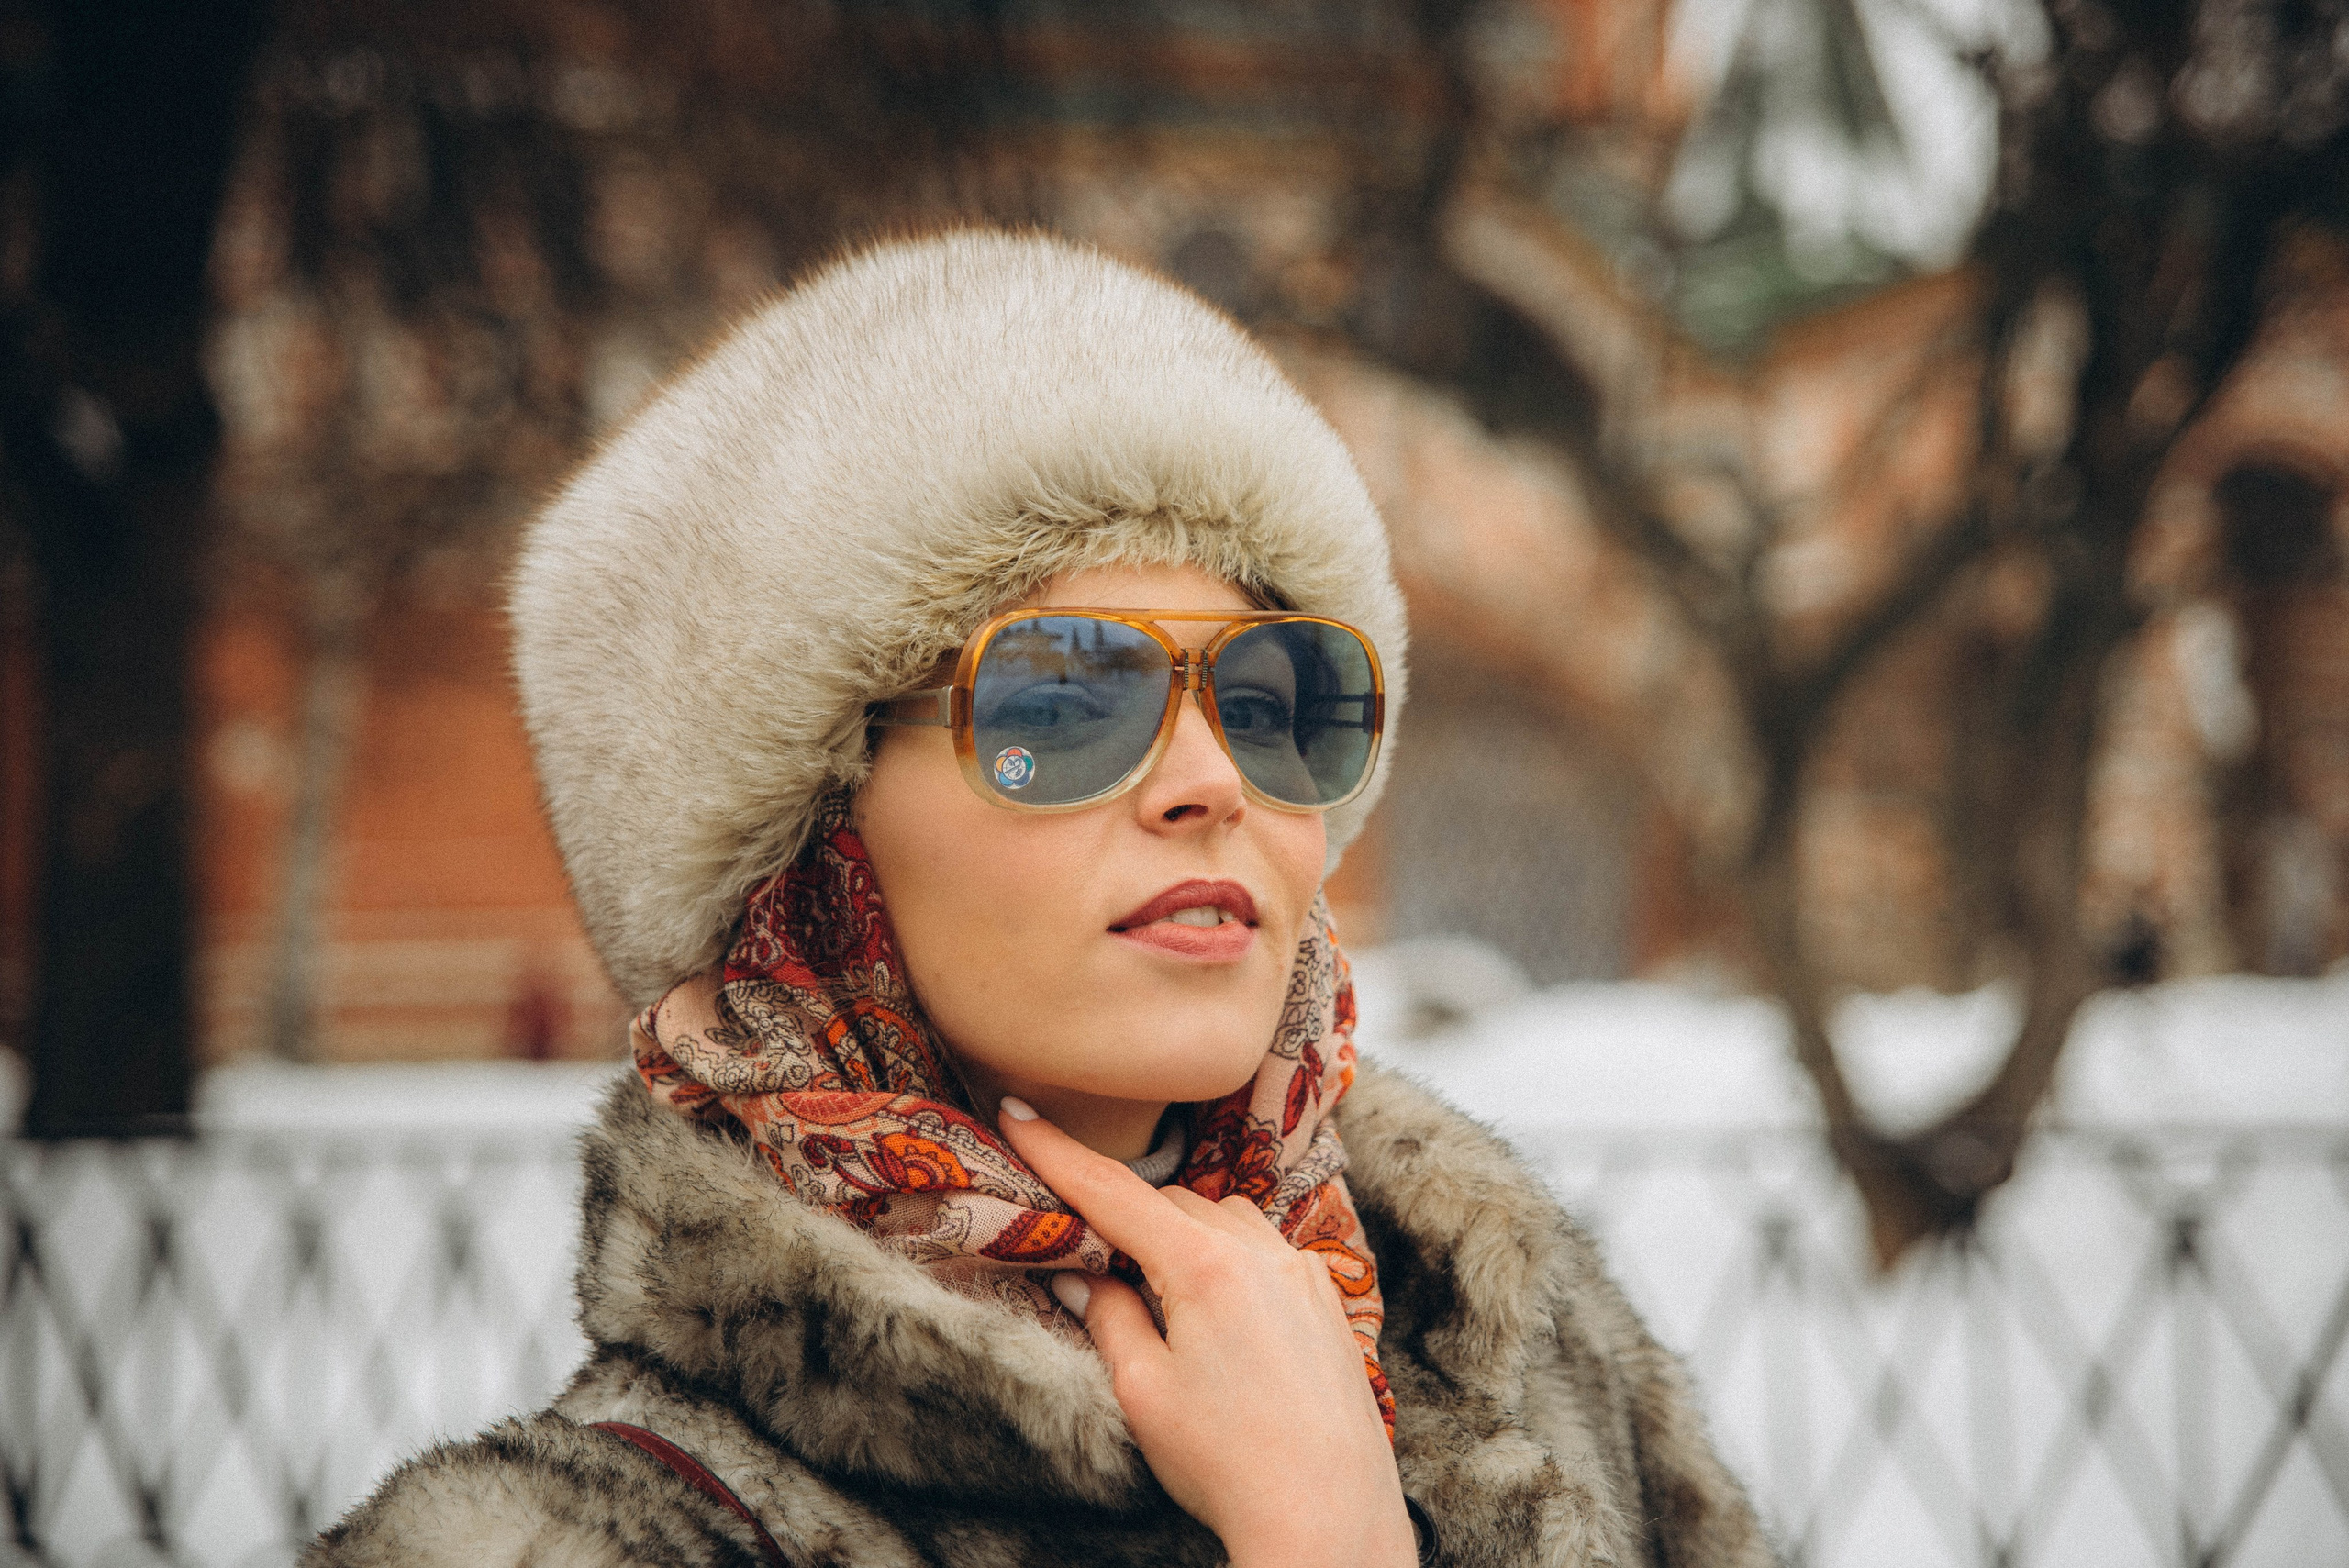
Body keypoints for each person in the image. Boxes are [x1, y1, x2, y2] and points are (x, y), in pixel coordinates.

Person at [306, 231, 1772, 1568]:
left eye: (1274, 700)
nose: (1210, 778)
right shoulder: (562, 1547)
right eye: (1063, 702)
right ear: (818, 849)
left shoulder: (1514, 1344)